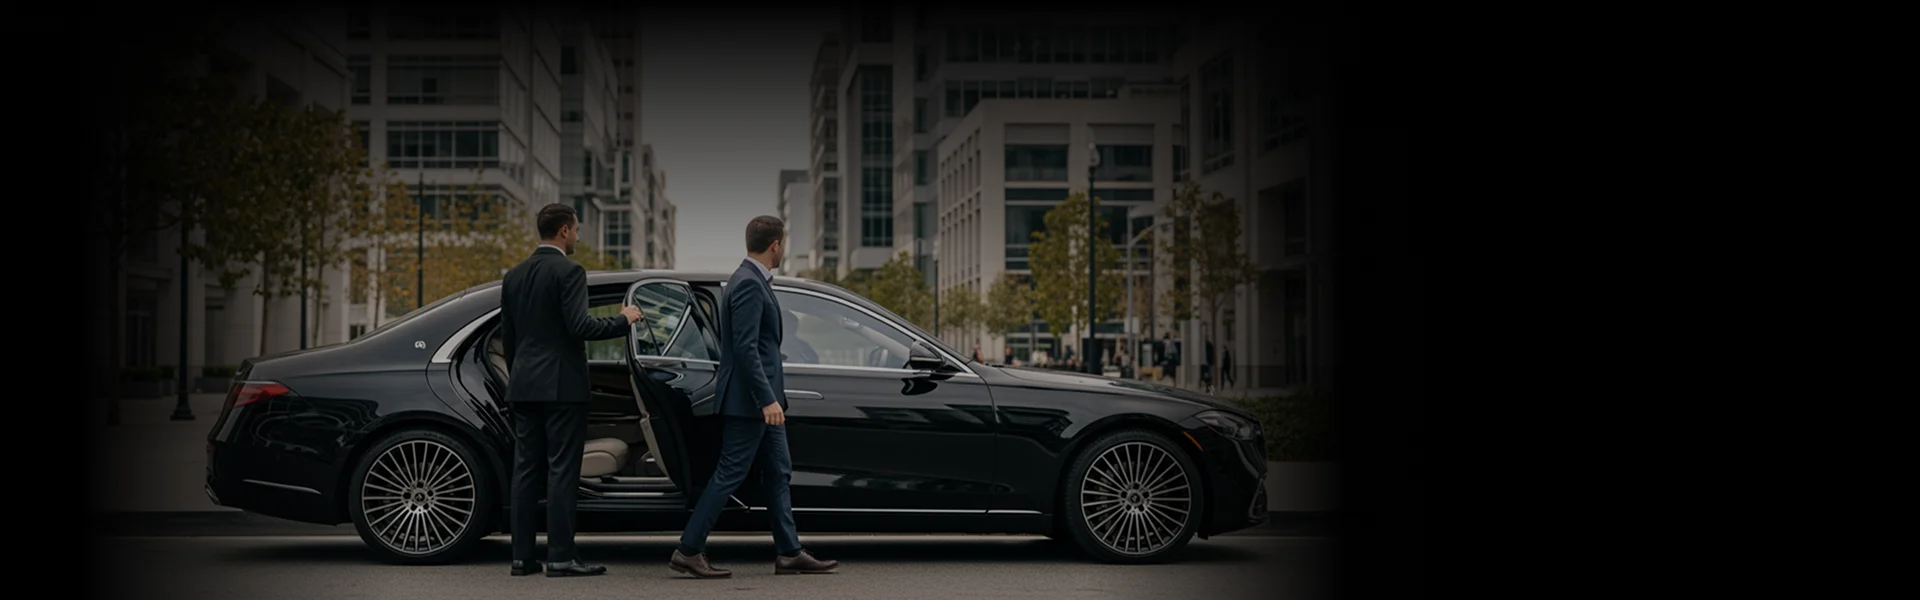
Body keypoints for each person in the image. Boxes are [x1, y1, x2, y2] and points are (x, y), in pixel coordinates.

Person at [670, 216, 839, 578]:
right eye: (783, 244)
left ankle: (789, 553)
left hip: (763, 402)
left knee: (778, 472)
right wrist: (766, 399)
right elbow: (746, 349)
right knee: (730, 473)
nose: (783, 250)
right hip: (751, 403)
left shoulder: (751, 280)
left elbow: (758, 347)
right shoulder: (748, 283)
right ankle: (688, 550)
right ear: (775, 245)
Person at [500, 203, 644, 578]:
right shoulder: (570, 271)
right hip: (562, 388)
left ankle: (522, 558)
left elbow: (510, 339)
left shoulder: (513, 276)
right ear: (564, 230)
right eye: (576, 230)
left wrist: (521, 376)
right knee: (562, 471)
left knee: (525, 472)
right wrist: (623, 320)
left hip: (524, 386)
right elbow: (581, 327)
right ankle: (561, 557)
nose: (577, 236)